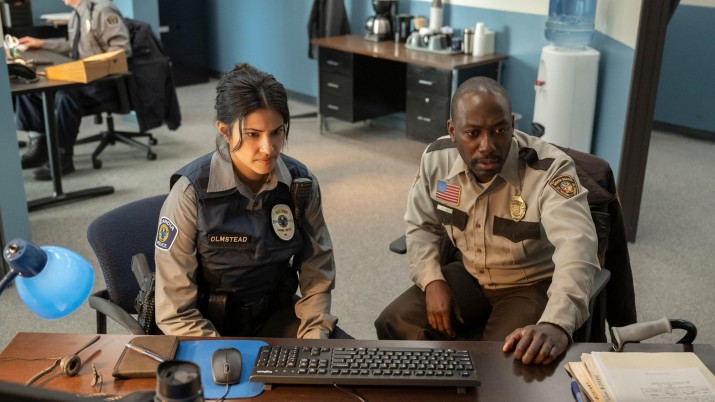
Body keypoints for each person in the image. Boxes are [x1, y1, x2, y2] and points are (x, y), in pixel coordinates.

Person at [375, 76, 600, 365]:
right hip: (469, 273)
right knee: (394, 323)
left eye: (500, 130)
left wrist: (557, 322)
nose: (487, 146)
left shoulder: (549, 170)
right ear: (452, 131)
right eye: (473, 133)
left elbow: (577, 247)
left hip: (529, 283)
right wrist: (431, 280)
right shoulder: (437, 160)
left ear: (512, 125)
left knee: (504, 361)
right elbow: (421, 226)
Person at [154, 63, 347, 339]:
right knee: (239, 368)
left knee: (339, 359)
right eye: (253, 135)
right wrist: (222, 352)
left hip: (275, 316)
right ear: (225, 131)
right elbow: (176, 312)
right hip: (205, 326)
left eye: (276, 132)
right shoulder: (189, 195)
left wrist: (315, 334)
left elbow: (317, 273)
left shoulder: (301, 185)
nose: (268, 149)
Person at [15, 0, 131, 180]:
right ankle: (40, 146)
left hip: (102, 82)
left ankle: (63, 155)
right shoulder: (76, 14)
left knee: (65, 94)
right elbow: (72, 47)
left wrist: (88, 66)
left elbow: (122, 50)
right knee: (31, 89)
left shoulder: (102, 9)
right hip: (81, 78)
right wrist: (41, 43)